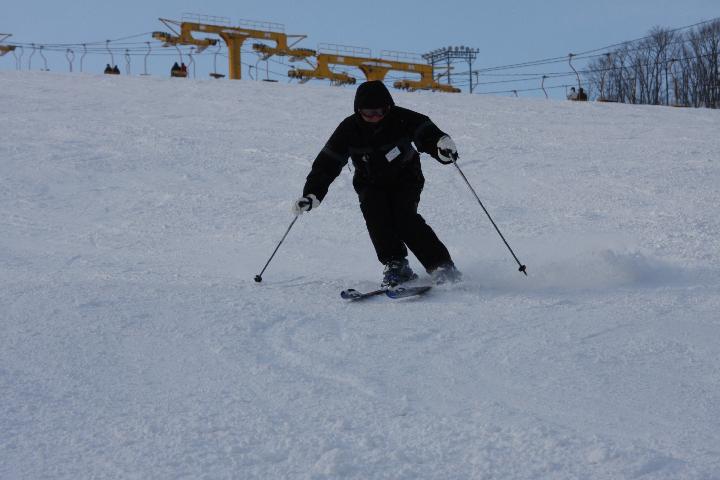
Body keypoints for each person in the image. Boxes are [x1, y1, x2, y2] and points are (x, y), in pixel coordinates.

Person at [293, 80, 461, 288]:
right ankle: (396, 264)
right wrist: (312, 193)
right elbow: (328, 162)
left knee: (404, 218)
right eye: (368, 113)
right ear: (358, 111)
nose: (375, 117)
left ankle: (441, 266)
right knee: (376, 217)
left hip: (406, 176)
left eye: (380, 112)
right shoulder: (348, 129)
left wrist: (441, 146)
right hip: (369, 181)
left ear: (388, 107)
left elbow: (427, 133)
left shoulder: (401, 118)